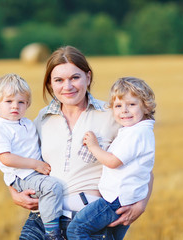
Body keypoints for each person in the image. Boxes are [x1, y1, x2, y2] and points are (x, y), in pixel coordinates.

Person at [8, 46, 154, 240]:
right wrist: (13, 192)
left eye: (75, 78)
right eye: (59, 80)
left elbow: (142, 166)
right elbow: (13, 159)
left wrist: (141, 204)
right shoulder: (42, 119)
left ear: (88, 77)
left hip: (88, 225)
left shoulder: (112, 115)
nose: (67, 86)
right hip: (42, 221)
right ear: (50, 84)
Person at [66, 77, 156, 240]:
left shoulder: (136, 134)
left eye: (132, 104)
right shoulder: (137, 130)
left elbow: (113, 161)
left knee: (76, 230)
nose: (124, 110)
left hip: (115, 200)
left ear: (146, 106)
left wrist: (93, 146)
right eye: (118, 106)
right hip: (125, 198)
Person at [0, 73, 64, 240]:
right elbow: (6, 158)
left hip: (32, 173)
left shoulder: (27, 123)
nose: (15, 106)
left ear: (27, 104)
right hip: (22, 176)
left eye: (21, 102)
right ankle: (52, 233)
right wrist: (35, 164)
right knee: (53, 187)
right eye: (8, 101)